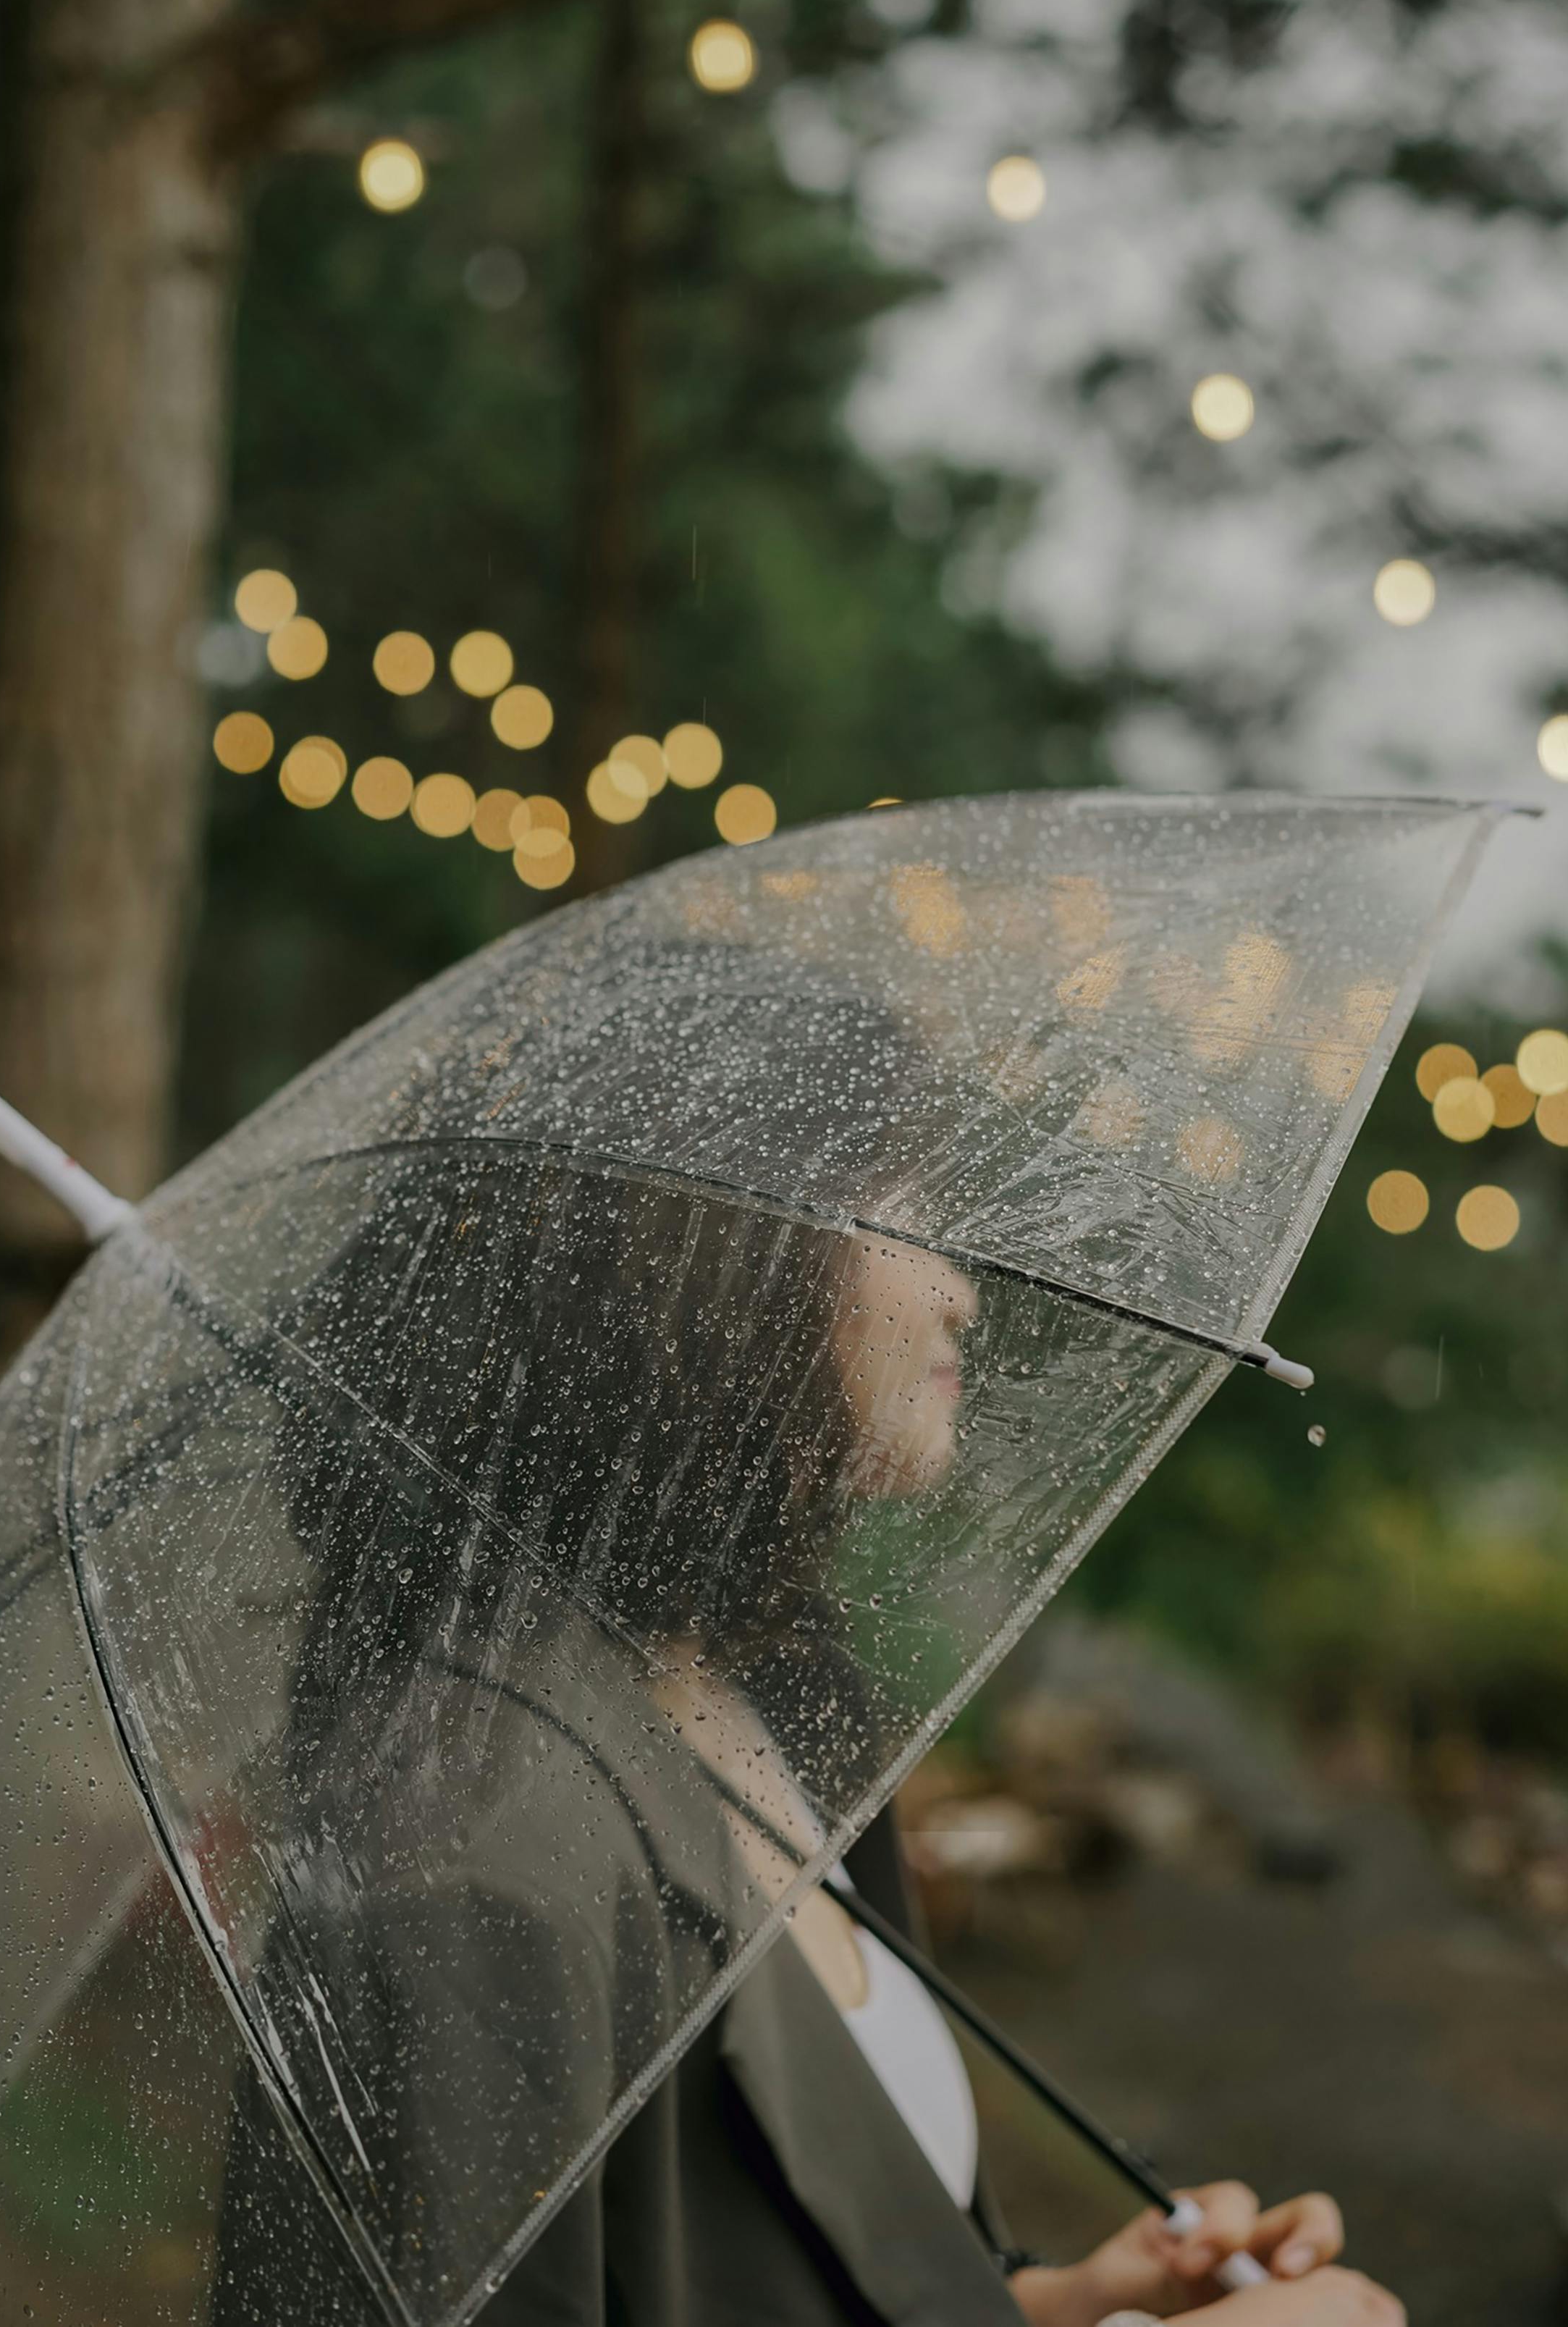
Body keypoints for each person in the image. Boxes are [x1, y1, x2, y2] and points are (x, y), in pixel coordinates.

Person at [208, 993, 1406, 2327]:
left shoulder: (756, 1699)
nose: (961, 1290)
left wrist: (1051, 2302)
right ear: (726, 1268)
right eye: (915, 1223)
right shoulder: (474, 1833)